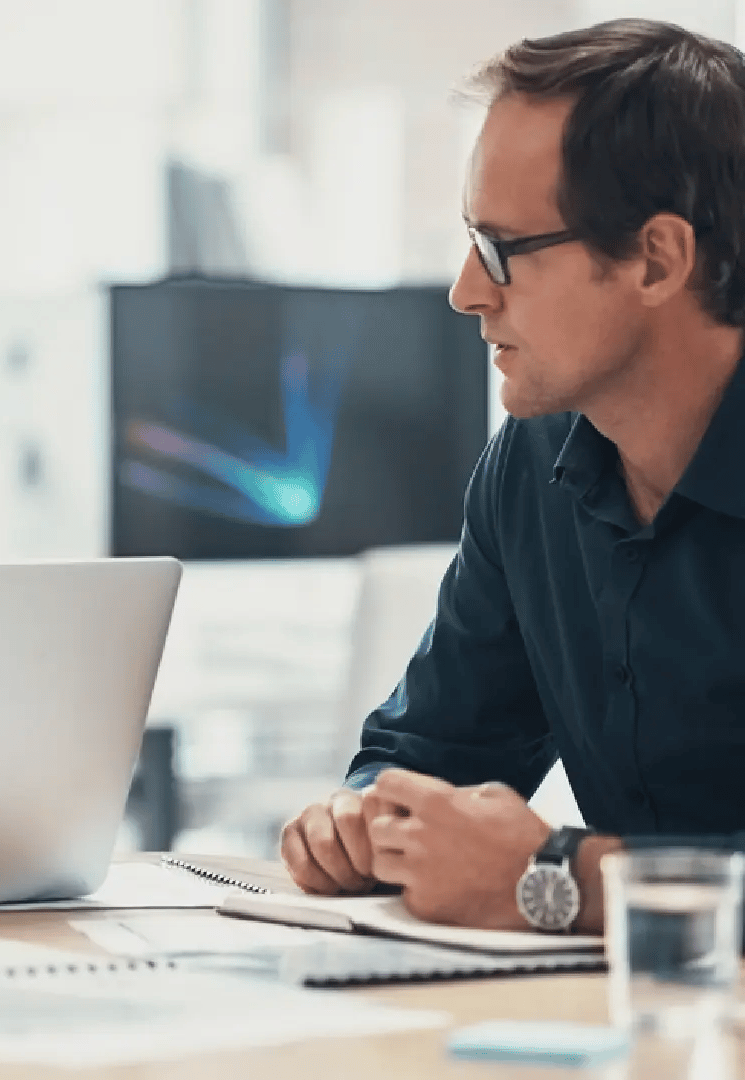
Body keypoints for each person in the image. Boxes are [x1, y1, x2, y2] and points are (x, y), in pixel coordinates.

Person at [281, 18, 745, 937]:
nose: (465, 289)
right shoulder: (533, 466)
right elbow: (431, 754)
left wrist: (559, 878)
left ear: (656, 259)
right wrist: (365, 822)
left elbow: (538, 875)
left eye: (500, 250)